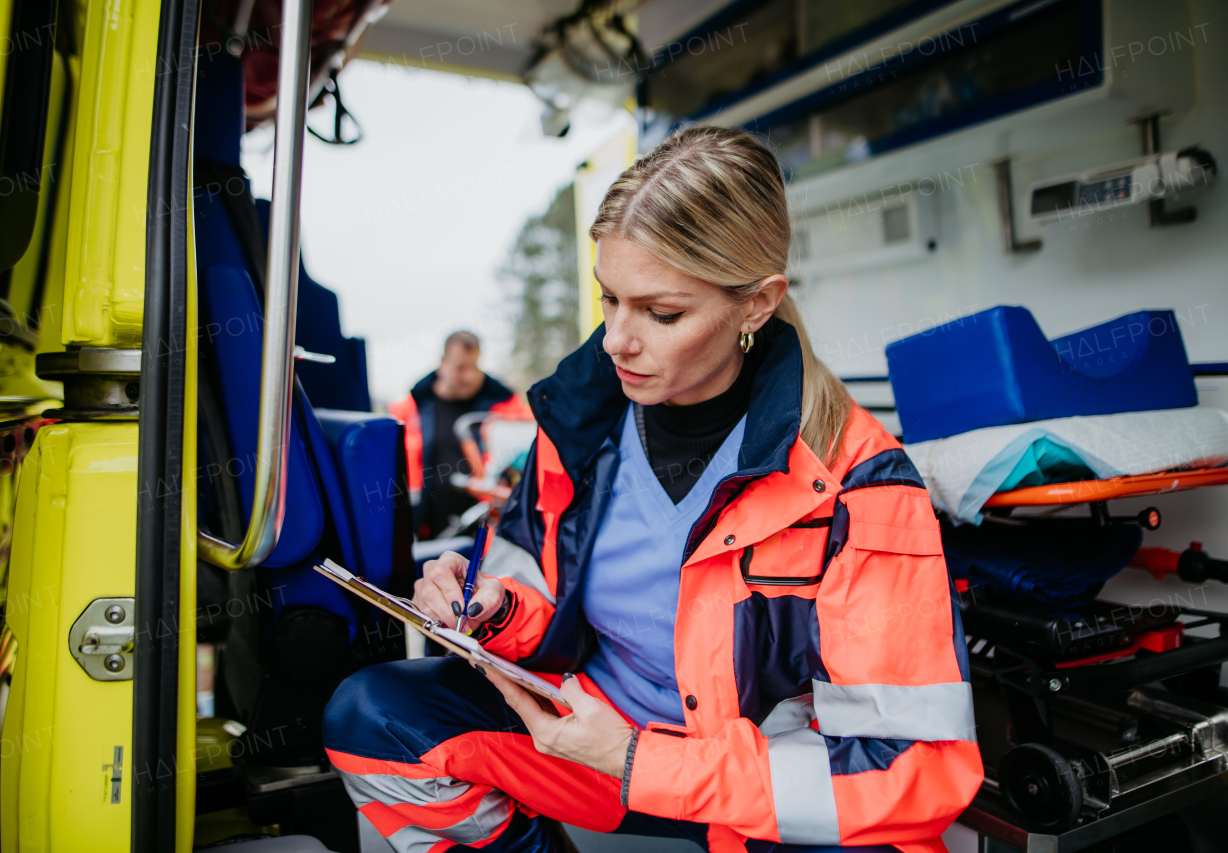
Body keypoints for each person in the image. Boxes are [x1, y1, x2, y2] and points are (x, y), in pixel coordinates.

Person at [325, 127, 982, 853]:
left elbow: (911, 769)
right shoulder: (577, 428)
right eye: (609, 298)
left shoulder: (859, 479)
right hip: (587, 738)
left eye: (660, 313)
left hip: (756, 781)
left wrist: (643, 761)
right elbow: (539, 601)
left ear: (756, 305)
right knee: (373, 717)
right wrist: (491, 608)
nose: (615, 339)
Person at [389, 331, 527, 539]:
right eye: (461, 368)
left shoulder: (506, 406)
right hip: (426, 525)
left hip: (488, 527)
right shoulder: (410, 408)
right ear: (443, 363)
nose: (469, 376)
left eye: (474, 366)